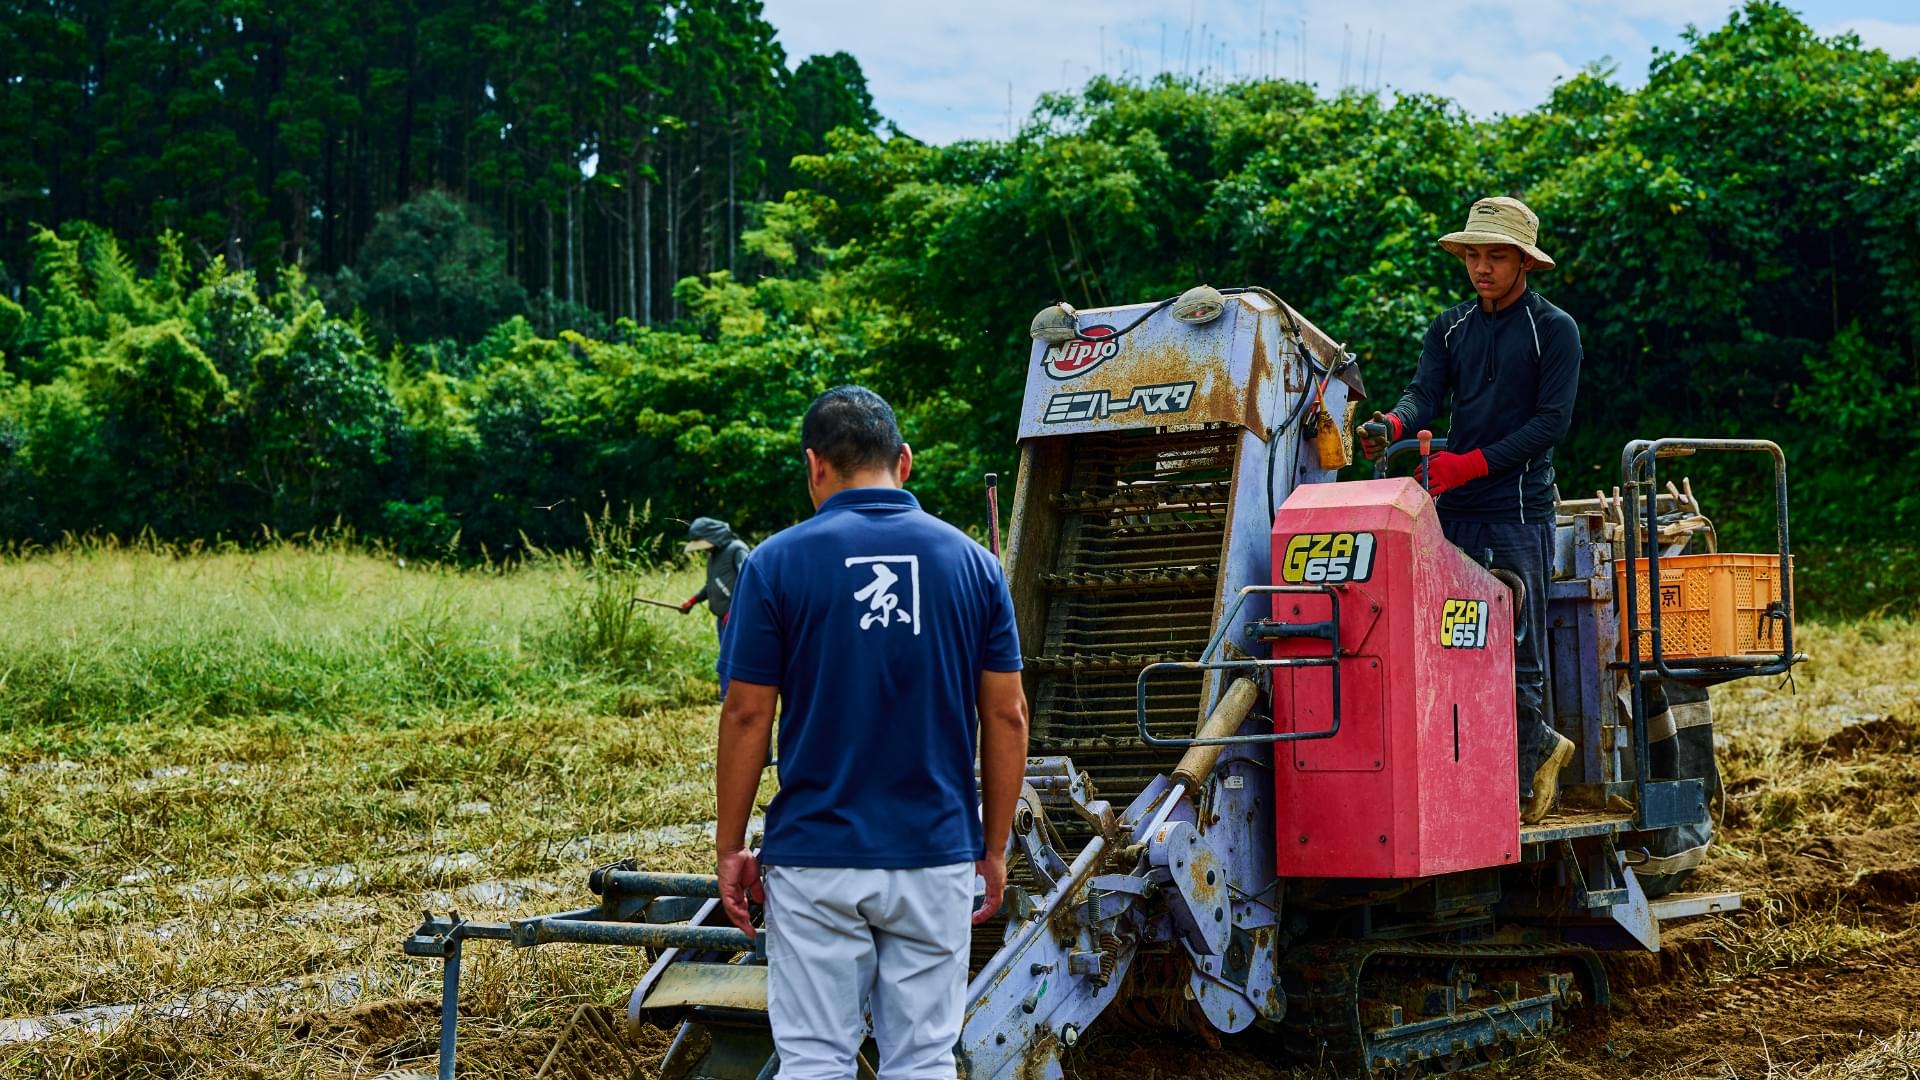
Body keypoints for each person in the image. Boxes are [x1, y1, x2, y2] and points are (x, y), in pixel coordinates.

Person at [710, 386, 1030, 1079]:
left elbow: (745, 715)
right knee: (921, 1059)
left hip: (816, 856)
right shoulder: (974, 566)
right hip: (935, 853)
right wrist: (995, 846)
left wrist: (731, 844)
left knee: (816, 1060)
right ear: (905, 462)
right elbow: (1007, 715)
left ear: (814, 467)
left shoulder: (775, 563)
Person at [1358, 195, 1580, 825]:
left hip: (1517, 508)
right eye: (1474, 255)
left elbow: (1550, 424)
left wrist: (1471, 462)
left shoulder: (1554, 330)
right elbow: (1426, 394)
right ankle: (1493, 761)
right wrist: (1392, 422)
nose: (1482, 268)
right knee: (1459, 638)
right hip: (1453, 508)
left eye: (1497, 256)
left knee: (1517, 642)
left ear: (1524, 263)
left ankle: (1522, 770)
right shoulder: (1451, 327)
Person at [681, 517, 751, 697]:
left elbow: (748, 582)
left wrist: (735, 611)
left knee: (734, 660)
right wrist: (693, 600)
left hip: (736, 618)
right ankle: (725, 695)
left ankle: (731, 697)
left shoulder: (737, 549)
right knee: (725, 659)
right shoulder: (714, 556)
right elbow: (711, 585)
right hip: (722, 618)